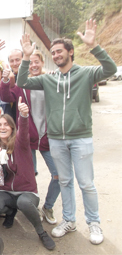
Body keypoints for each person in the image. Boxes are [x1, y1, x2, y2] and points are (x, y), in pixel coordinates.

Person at [17, 19, 117, 245]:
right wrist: (25, 57)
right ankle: (69, 220)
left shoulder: (86, 73)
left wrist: (94, 46)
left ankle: (93, 223)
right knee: (65, 182)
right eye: (53, 52)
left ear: (70, 52)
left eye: (59, 51)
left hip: (80, 138)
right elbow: (21, 81)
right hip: (56, 140)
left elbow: (110, 70)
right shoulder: (48, 78)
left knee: (86, 183)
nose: (55, 55)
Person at [0, 98, 56, 250]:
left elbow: (23, 129)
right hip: (7, 190)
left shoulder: (20, 142)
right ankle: (11, 211)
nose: (2, 127)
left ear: (11, 128)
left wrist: (23, 115)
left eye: (6, 124)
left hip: (27, 191)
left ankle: (41, 232)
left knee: (23, 202)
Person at [0, 49, 60, 225]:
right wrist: (4, 80)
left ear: (42, 63)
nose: (33, 65)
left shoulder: (50, 80)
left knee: (59, 175)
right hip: (27, 138)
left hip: (49, 138)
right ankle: (29, 205)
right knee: (28, 174)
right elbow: (5, 95)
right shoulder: (21, 85)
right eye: (30, 62)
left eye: (37, 62)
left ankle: (48, 206)